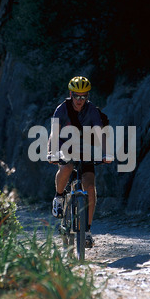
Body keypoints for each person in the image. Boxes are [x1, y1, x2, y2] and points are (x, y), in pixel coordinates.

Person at [47, 76, 111, 248]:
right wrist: (51, 152)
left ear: (87, 97)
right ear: (71, 94)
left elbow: (100, 133)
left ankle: (87, 231)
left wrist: (106, 152)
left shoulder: (92, 110)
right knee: (67, 166)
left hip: (85, 149)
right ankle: (59, 197)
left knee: (90, 186)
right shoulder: (62, 109)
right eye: (77, 96)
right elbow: (53, 133)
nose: (80, 100)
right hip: (65, 146)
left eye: (84, 97)